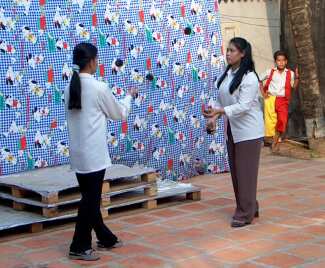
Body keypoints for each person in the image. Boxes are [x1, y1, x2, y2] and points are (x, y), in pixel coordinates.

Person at [65, 42, 137, 261]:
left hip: (78, 154)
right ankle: (79, 246)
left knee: (90, 198)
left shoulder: (70, 87)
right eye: (97, 59)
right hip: (94, 155)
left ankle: (106, 238)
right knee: (90, 201)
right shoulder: (98, 87)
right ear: (92, 61)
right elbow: (119, 114)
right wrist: (129, 96)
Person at [203, 37, 264, 228]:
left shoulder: (250, 77)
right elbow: (222, 102)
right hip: (233, 131)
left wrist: (219, 112)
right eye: (227, 50)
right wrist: (213, 118)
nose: (228, 54)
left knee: (246, 173)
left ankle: (245, 213)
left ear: (243, 54)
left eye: (232, 50)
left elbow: (244, 106)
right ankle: (250, 206)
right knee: (237, 173)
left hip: (249, 132)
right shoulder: (228, 75)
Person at [259, 50, 299, 151]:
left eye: (283, 60)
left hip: (283, 100)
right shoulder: (270, 71)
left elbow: (293, 86)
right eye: (278, 60)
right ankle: (274, 142)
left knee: (282, 120)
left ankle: (275, 140)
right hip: (271, 99)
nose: (281, 62)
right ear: (275, 61)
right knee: (271, 122)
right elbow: (259, 79)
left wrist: (297, 77)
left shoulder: (291, 73)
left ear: (286, 61)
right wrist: (263, 93)